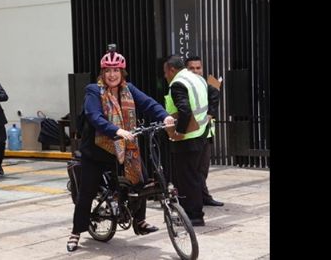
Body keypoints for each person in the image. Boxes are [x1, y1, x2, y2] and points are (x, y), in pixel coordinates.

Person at [68, 49, 175, 252]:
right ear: (102, 72)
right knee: (87, 192)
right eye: (108, 70)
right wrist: (117, 130)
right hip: (96, 150)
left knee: (140, 180)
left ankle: (140, 221)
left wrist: (165, 116)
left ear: (122, 72)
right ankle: (76, 232)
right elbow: (94, 116)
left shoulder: (129, 89)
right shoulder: (93, 90)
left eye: (116, 70)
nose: (112, 74)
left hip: (124, 148)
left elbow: (149, 104)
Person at [162, 55, 220, 227]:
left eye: (165, 72)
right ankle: (193, 213)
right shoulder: (198, 79)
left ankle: (194, 216)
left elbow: (185, 110)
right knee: (193, 177)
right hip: (201, 134)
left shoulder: (178, 84)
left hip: (187, 139)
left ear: (172, 70)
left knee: (188, 180)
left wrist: (178, 132)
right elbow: (211, 97)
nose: (165, 76)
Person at [185, 56, 224, 207]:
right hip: (191, 134)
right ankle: (199, 197)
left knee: (203, 168)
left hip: (206, 133)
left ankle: (203, 195)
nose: (196, 71)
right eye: (191, 68)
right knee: (194, 169)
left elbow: (214, 102)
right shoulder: (184, 85)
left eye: (198, 68)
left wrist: (215, 89)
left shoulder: (208, 83)